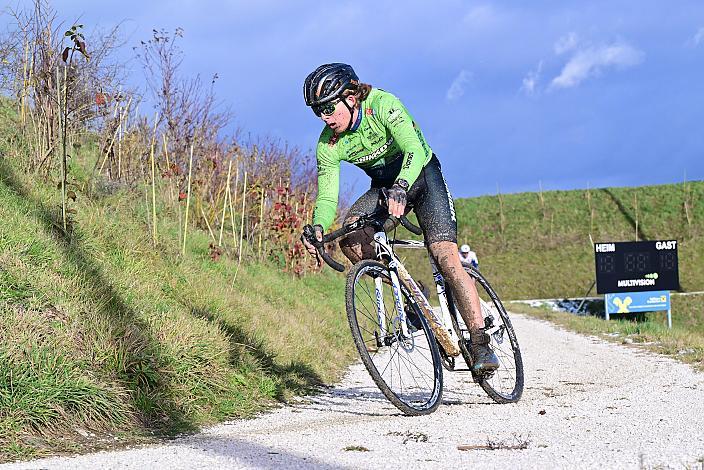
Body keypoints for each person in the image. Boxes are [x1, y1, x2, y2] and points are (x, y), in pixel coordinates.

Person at [300, 63, 498, 372]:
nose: (325, 117)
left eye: (329, 107)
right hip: (384, 188)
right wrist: (317, 226)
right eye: (318, 111)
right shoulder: (329, 144)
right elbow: (327, 196)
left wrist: (402, 187)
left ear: (351, 97)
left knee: (445, 256)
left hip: (422, 176)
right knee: (351, 238)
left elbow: (413, 150)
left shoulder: (382, 105)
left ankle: (479, 342)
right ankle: (410, 295)